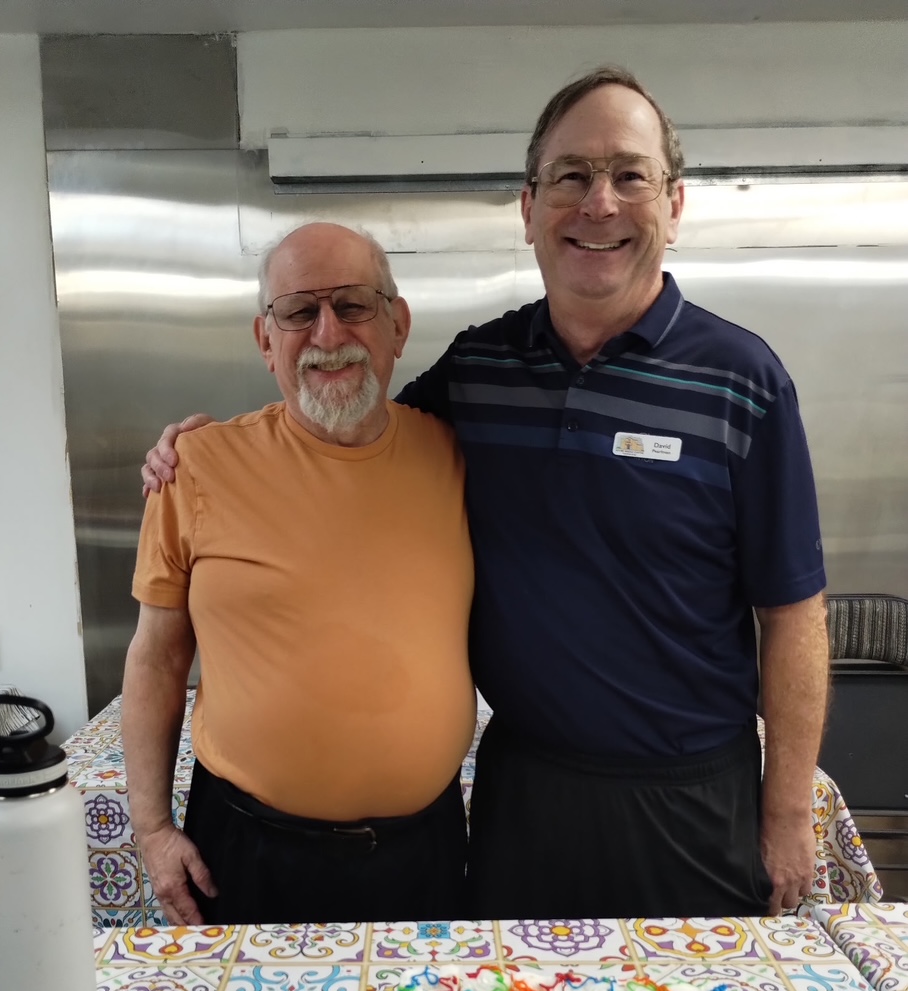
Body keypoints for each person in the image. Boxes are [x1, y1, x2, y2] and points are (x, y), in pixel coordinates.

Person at [142, 67, 829, 920]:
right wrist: (203, 448)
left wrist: (788, 811)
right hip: (523, 797)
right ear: (529, 208)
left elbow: (794, 614)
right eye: (571, 175)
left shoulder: (744, 382)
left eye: (630, 175)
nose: (600, 204)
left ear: (675, 204)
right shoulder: (481, 368)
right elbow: (351, 416)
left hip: (688, 799)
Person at [123, 222, 475, 926]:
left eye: (353, 304)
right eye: (298, 312)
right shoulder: (196, 467)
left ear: (398, 325)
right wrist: (153, 829)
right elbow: (157, 658)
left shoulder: (457, 454)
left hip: (423, 854)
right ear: (265, 340)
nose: (327, 333)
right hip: (248, 854)